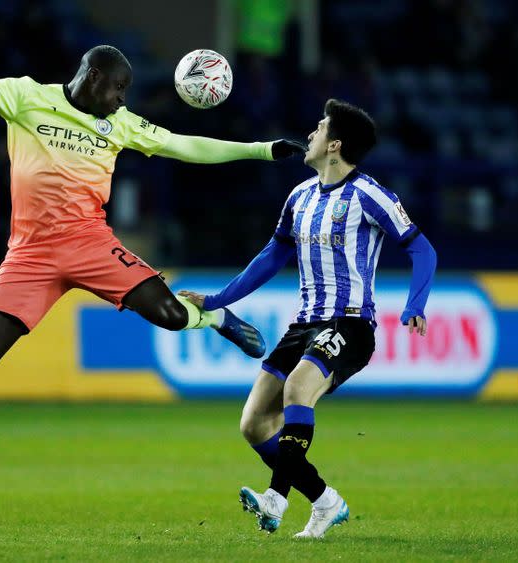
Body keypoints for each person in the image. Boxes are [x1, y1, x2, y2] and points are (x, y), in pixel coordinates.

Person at [0, 33, 307, 503]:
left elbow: (186, 146)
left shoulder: (120, 123)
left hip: (90, 243)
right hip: (30, 254)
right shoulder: (25, 96)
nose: (122, 99)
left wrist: (262, 149)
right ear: (94, 77)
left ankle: (217, 318)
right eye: (119, 88)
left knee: (172, 316)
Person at [179, 99, 437, 538]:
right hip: (303, 325)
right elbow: (270, 257)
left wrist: (415, 304)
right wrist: (218, 299)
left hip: (351, 324)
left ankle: (275, 499)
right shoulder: (299, 196)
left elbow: (422, 249)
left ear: (334, 145)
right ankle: (325, 501)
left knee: (299, 387)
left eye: (319, 127)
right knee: (255, 424)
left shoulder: (369, 194)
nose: (311, 133)